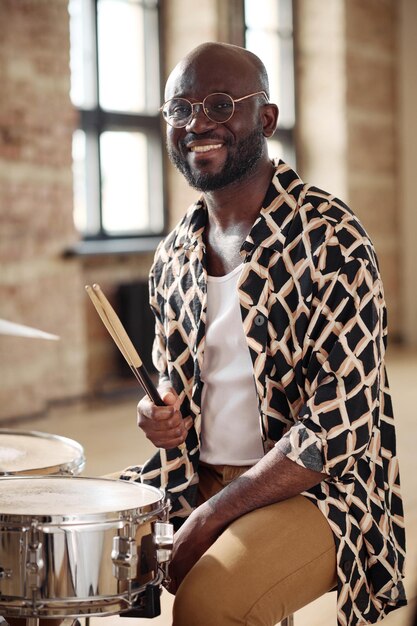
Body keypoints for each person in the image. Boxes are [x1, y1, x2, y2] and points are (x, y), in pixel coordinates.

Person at [120, 42, 406, 626]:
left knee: (209, 604)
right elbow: (171, 384)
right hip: (192, 476)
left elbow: (336, 429)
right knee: (66, 543)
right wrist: (159, 414)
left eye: (221, 104)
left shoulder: (332, 239)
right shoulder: (173, 255)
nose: (198, 122)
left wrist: (212, 515)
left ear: (266, 118)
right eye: (181, 108)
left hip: (319, 491)